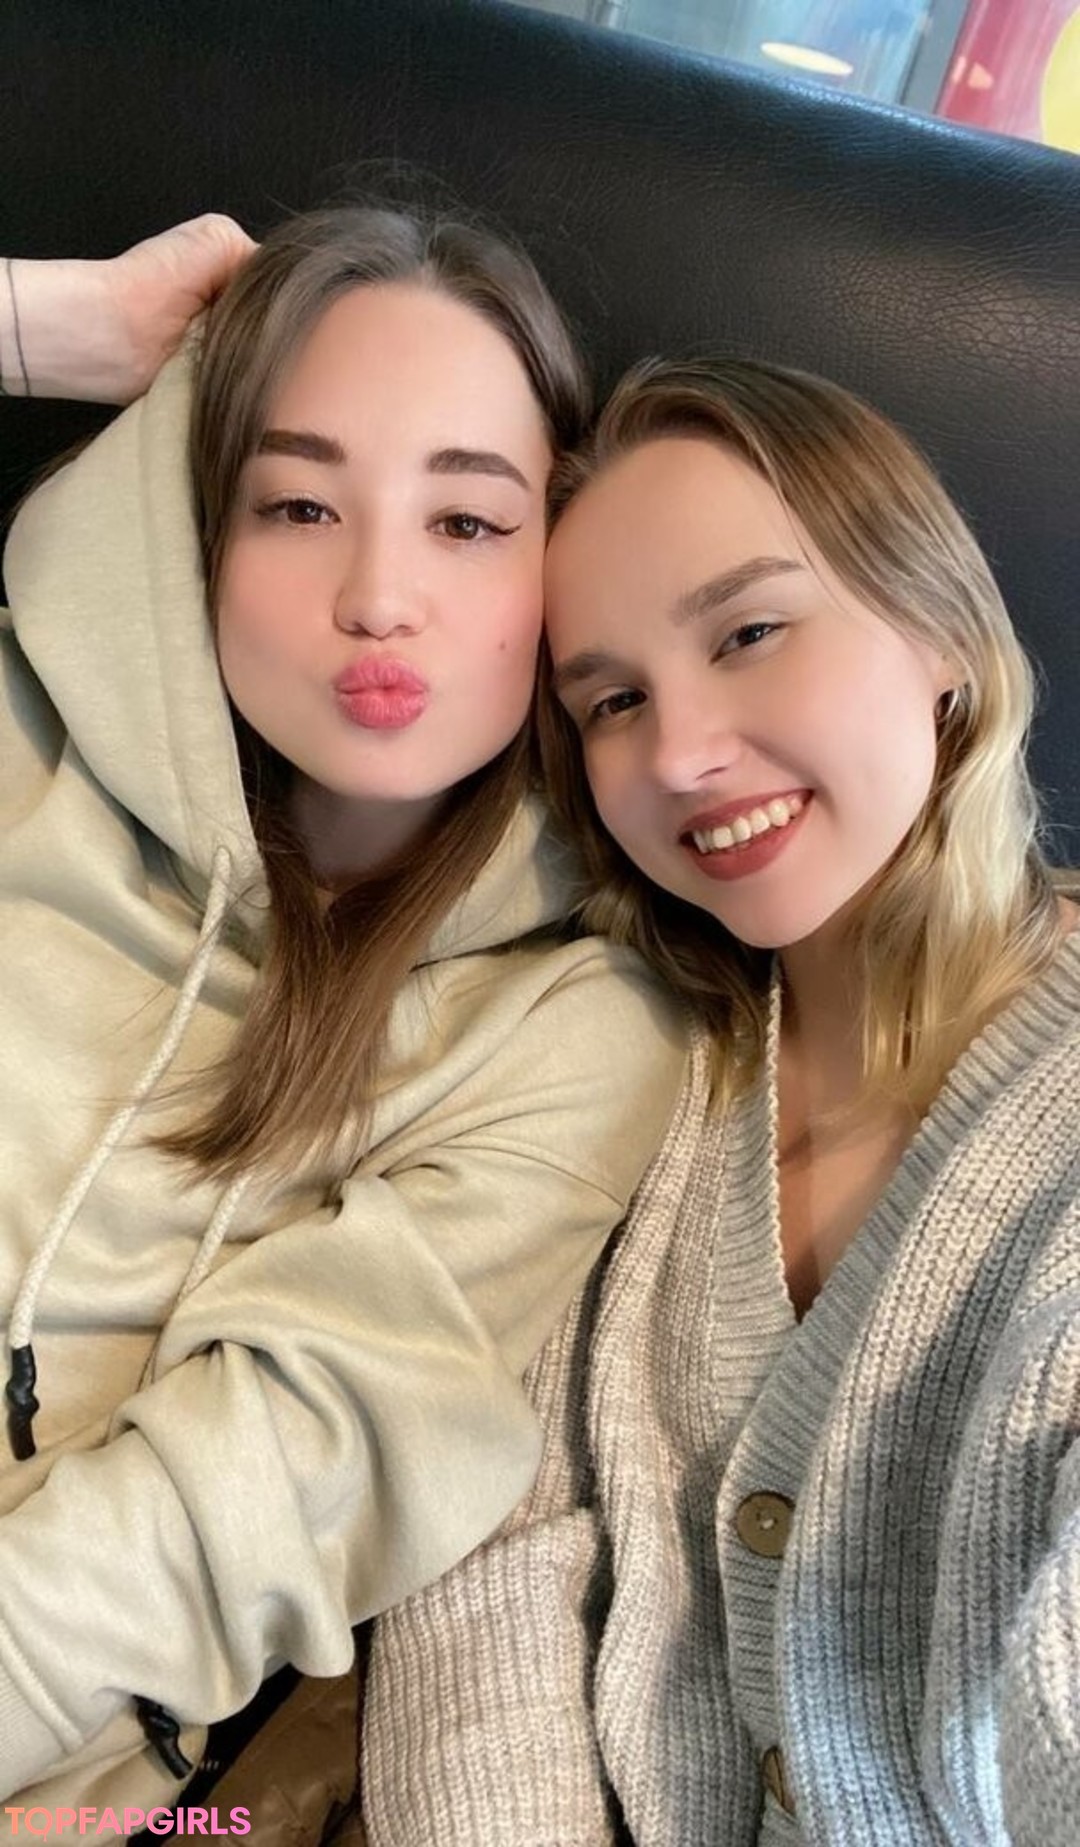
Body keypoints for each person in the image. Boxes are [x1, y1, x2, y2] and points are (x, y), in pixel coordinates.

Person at [0, 216, 687, 1825]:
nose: (379, 598)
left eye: (468, 520)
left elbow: (241, 1509)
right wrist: (39, 327)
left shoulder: (580, 1026)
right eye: (298, 505)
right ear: (191, 525)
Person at [360, 358, 1080, 1847]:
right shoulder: (618, 1063)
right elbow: (491, 1567)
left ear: (939, 629)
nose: (679, 756)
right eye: (613, 700)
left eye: (750, 632)